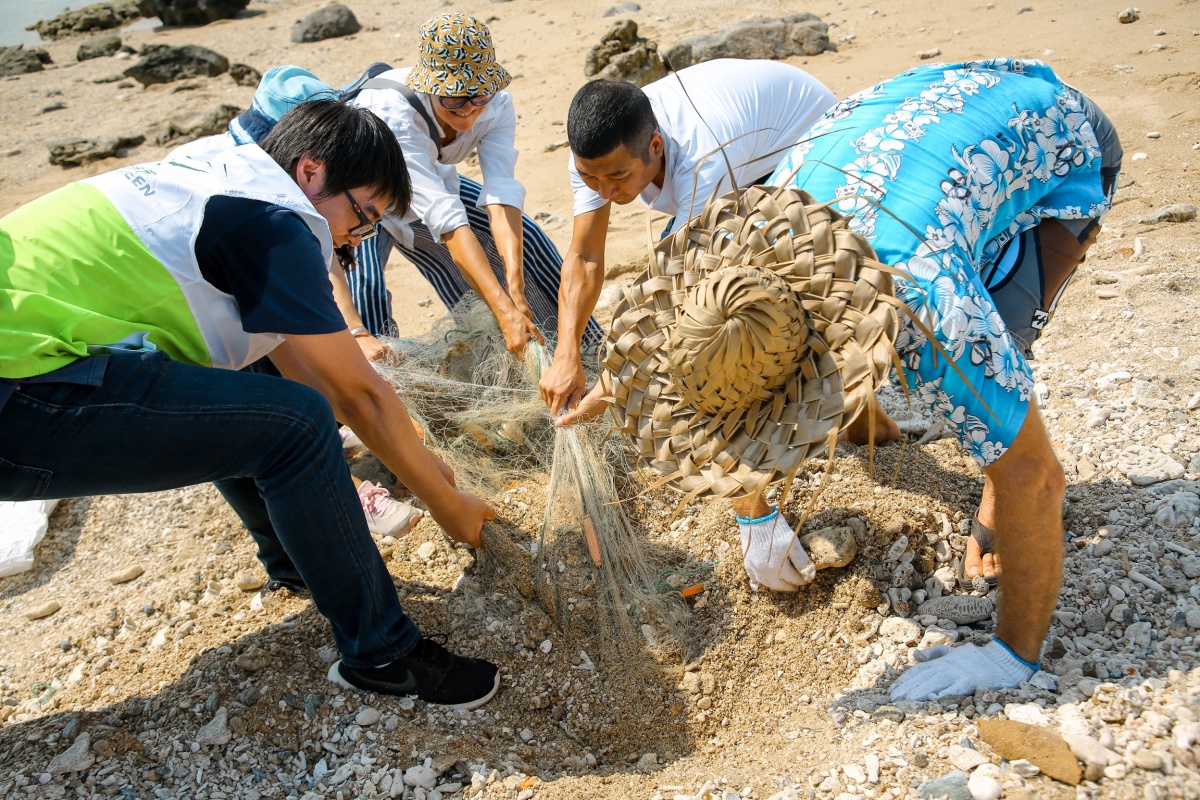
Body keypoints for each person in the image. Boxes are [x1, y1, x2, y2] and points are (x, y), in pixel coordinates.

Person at [560, 58, 1120, 701]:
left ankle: (1017, 637)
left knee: (1006, 349)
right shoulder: (750, 228)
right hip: (916, 111)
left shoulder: (927, 312)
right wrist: (620, 390)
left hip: (1058, 133)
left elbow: (1040, 478)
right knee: (971, 309)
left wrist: (1007, 657)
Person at [0, 99, 501, 709]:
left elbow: (295, 366)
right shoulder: (276, 220)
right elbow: (356, 395)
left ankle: (296, 558)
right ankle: (385, 654)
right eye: (362, 215)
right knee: (295, 427)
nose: (355, 236)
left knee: (269, 399)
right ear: (312, 172)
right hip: (20, 386)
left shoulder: (220, 169)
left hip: (31, 353)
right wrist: (448, 505)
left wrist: (417, 460)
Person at [539, 58, 838, 417]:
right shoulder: (594, 157)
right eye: (591, 178)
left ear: (655, 146)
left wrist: (605, 390)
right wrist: (565, 354)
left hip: (809, 136)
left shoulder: (702, 159)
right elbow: (585, 256)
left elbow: (675, 282)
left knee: (767, 279)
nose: (603, 191)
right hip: (744, 131)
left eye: (618, 176)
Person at [347, 12, 604, 356]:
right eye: (453, 98)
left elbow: (500, 191)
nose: (468, 110)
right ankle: (381, 389)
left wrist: (514, 283)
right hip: (356, 191)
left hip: (429, 179)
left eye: (478, 96)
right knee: (364, 292)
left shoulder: (496, 105)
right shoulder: (396, 115)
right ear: (428, 87)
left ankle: (579, 354)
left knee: (528, 245)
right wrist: (503, 309)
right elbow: (445, 218)